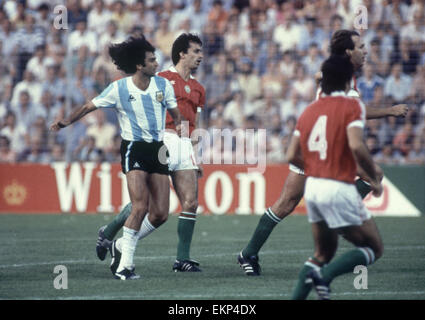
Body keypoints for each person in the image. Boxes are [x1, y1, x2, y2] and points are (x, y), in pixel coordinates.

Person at [237, 29, 408, 278]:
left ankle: (249, 254)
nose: (366, 50)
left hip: (317, 144)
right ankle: (338, 221)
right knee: (373, 176)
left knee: (287, 203)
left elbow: (333, 89)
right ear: (348, 52)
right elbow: (354, 109)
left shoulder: (337, 73)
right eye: (360, 46)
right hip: (321, 149)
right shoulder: (342, 80)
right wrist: (390, 110)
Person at [50, 36, 182, 280]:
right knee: (140, 206)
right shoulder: (119, 88)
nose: (157, 63)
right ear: (140, 65)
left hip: (158, 150)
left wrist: (181, 134)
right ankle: (124, 267)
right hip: (134, 148)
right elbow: (90, 106)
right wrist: (66, 121)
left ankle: (119, 245)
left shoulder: (164, 86)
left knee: (161, 213)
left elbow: (176, 114)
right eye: (152, 60)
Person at [96, 33, 205, 273]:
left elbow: (195, 122)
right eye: (196, 51)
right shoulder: (161, 78)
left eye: (201, 51)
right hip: (160, 140)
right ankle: (112, 232)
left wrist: (194, 153)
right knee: (151, 206)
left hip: (184, 144)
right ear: (182, 54)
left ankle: (181, 259)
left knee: (191, 202)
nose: (201, 56)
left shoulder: (199, 88)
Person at [286, 55, 383, 301]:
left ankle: (313, 281)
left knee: (321, 253)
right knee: (373, 247)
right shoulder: (353, 106)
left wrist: (317, 168)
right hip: (338, 186)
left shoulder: (309, 110)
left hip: (314, 188)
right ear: (347, 81)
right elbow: (357, 146)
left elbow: (290, 154)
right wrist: (373, 176)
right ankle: (325, 277)